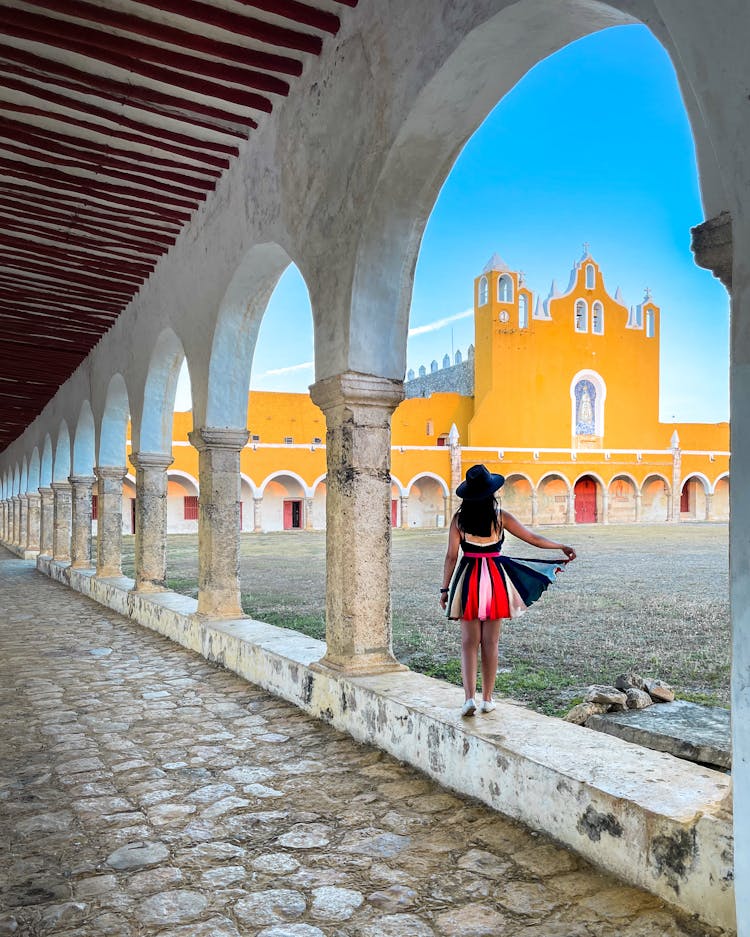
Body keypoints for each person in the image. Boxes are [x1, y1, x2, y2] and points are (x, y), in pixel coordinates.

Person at [440, 464, 576, 717]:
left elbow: (451, 557)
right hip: (494, 580)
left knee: (468, 643)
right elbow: (533, 538)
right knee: (490, 642)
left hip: (468, 578)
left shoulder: (459, 519)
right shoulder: (501, 516)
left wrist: (445, 588)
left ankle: (468, 698)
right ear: (491, 491)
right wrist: (561, 546)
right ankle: (487, 699)